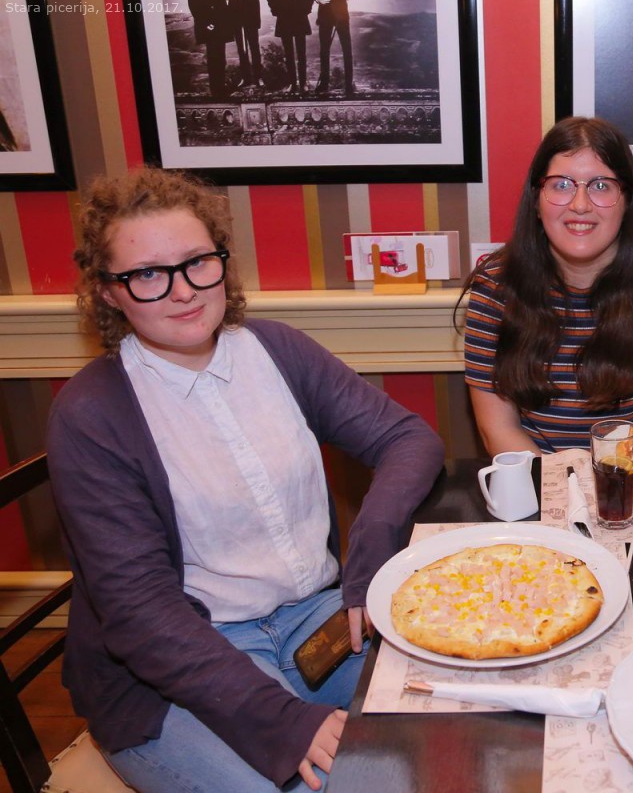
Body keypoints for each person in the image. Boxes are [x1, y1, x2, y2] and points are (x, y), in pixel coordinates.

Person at [46, 168, 445, 791]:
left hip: (315, 618)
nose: (183, 290)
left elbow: (408, 438)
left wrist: (370, 554)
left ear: (221, 262)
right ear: (108, 293)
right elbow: (139, 613)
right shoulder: (90, 414)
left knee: (457, 721)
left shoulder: (276, 349)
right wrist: (282, 721)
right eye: (147, 274)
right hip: (179, 662)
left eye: (196, 262)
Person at [461, 116, 633, 454]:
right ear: (536, 200)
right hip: (536, 474)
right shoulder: (495, 289)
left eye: (601, 186)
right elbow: (497, 428)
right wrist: (560, 483)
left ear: (627, 201)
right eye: (562, 185)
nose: (580, 205)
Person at [189, 0, 236, 98]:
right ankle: (216, 90)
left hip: (219, 23)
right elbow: (194, 3)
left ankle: (220, 88)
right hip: (210, 25)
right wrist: (207, 23)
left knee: (220, 57)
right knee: (214, 57)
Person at [268, 0, 316, 94]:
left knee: (301, 53)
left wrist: (306, 9)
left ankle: (303, 84)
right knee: (288, 54)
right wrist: (276, 11)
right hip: (284, 17)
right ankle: (292, 83)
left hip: (300, 17)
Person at [315, 0, 354, 95]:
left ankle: (349, 85)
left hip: (341, 13)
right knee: (324, 50)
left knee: (347, 49)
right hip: (325, 13)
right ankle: (324, 84)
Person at [230, 0, 264, 89]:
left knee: (254, 47)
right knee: (242, 50)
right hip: (236, 18)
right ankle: (246, 78)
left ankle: (258, 77)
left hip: (251, 16)